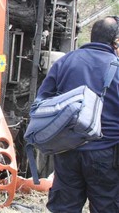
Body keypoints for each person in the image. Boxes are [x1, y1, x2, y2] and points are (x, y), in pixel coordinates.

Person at [34, 16, 119, 212]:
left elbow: (41, 102)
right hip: (106, 153)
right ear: (115, 41)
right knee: (107, 206)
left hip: (67, 149)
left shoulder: (65, 62)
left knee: (64, 206)